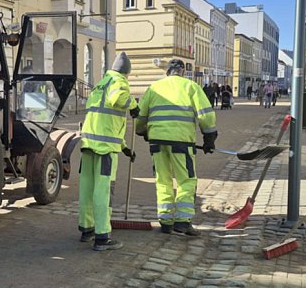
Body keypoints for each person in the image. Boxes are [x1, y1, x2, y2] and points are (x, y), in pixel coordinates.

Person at [135, 59, 217, 236]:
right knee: (186, 180)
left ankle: (165, 221)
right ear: (182, 72)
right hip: (181, 141)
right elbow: (205, 115)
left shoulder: (154, 87)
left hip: (157, 141)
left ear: (168, 71)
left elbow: (141, 115)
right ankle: (182, 221)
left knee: (162, 180)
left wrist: (142, 131)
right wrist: (209, 138)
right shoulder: (191, 86)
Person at [78, 52, 138, 251]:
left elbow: (106, 121)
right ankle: (102, 237)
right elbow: (118, 98)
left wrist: (124, 147)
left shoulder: (101, 83)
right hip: (105, 150)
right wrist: (134, 105)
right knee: (103, 191)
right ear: (126, 73)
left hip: (89, 143)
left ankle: (87, 229)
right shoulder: (119, 81)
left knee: (87, 188)